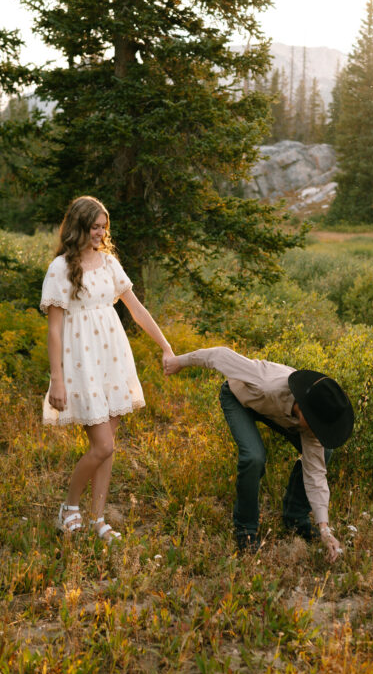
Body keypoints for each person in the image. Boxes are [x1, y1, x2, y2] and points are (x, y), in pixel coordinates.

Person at [41, 195, 173, 542]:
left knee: (109, 443)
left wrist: (165, 345)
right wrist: (57, 378)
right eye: (94, 227)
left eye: (103, 227)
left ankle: (97, 518)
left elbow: (136, 308)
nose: (100, 233)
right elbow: (54, 329)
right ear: (79, 227)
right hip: (81, 363)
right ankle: (69, 509)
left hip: (113, 359)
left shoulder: (110, 263)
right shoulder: (60, 269)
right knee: (103, 446)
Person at [163, 346, 354, 562]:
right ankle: (245, 529)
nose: (317, 430)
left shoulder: (313, 421)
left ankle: (295, 518)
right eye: (316, 424)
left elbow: (315, 474)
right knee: (253, 457)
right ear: (304, 409)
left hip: (275, 411)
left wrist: (325, 530)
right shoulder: (266, 382)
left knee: (323, 453)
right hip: (238, 398)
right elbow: (218, 355)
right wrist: (179, 361)